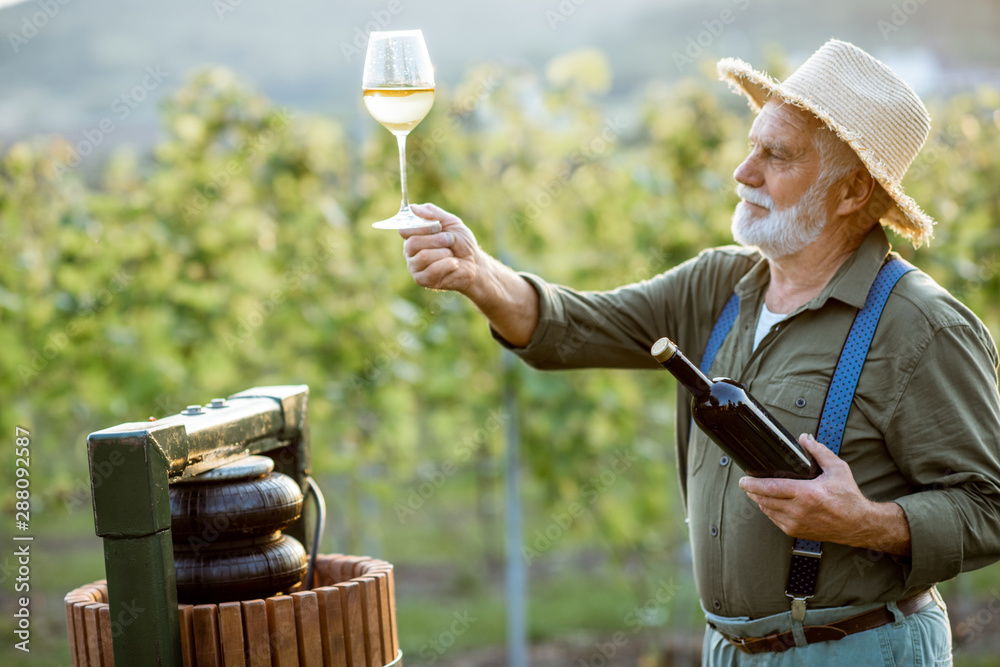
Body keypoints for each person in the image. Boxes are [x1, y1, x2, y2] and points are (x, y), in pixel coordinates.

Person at [398, 39, 1000, 664]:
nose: (745, 172)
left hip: (858, 650)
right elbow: (571, 326)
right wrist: (478, 273)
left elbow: (990, 505)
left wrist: (865, 523)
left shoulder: (921, 326)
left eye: (777, 155)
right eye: (752, 144)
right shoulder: (717, 286)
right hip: (728, 652)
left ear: (850, 192)